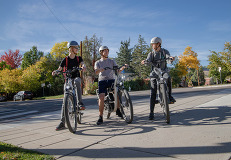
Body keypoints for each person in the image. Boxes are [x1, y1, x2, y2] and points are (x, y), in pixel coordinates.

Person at [52, 40, 86, 130]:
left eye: (78, 47)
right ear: (71, 48)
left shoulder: (79, 58)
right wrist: (56, 71)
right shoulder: (65, 59)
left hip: (76, 77)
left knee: (77, 81)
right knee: (65, 100)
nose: (77, 49)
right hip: (68, 79)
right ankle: (62, 122)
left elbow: (83, 64)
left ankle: (79, 103)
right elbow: (59, 68)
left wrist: (83, 67)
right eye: (76, 47)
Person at [141, 37, 176, 120]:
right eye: (152, 44)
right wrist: (145, 62)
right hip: (154, 74)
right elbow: (148, 60)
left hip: (163, 71)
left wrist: (171, 58)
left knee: (168, 78)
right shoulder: (151, 54)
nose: (152, 46)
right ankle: (151, 112)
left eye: (154, 44)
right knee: (153, 92)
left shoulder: (164, 52)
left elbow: (168, 58)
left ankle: (170, 96)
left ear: (158, 44)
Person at [94, 46, 127, 125]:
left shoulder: (112, 61)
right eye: (104, 51)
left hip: (111, 80)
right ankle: (100, 116)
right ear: (101, 52)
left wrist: (122, 68)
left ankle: (118, 110)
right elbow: (96, 72)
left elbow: (117, 70)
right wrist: (99, 70)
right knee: (101, 97)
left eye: (107, 51)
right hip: (102, 81)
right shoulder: (98, 62)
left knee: (117, 92)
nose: (106, 52)